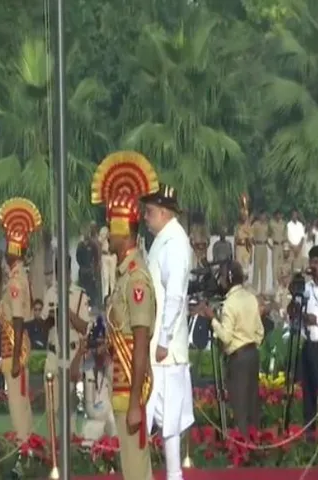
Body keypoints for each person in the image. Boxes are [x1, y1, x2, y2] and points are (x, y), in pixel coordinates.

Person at [91, 151, 159, 480]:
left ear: (123, 229)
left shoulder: (136, 278)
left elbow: (142, 339)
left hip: (130, 388)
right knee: (128, 467)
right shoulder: (122, 275)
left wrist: (135, 402)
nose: (108, 234)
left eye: (111, 227)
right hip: (118, 384)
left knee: (136, 470)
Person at [142, 183, 194, 480]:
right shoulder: (165, 239)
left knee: (165, 420)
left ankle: (170, 475)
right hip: (159, 348)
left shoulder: (174, 242)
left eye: (149, 212)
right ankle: (163, 474)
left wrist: (162, 340)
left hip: (165, 350)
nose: (146, 218)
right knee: (161, 419)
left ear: (163, 212)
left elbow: (174, 295)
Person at [0, 197, 42, 441]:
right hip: (11, 343)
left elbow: (19, 319)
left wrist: (15, 358)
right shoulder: (16, 277)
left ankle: (25, 447)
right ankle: (27, 444)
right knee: (20, 401)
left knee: (17, 403)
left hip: (15, 345)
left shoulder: (15, 281)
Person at [200, 261, 264, 435]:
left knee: (240, 405)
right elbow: (260, 331)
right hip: (253, 353)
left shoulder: (230, 303)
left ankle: (241, 447)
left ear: (227, 280)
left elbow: (226, 337)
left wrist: (213, 319)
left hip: (238, 357)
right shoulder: (250, 298)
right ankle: (254, 441)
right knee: (252, 404)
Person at [41, 255, 90, 433]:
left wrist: (67, 312)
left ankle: (72, 449)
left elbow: (85, 327)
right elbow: (43, 324)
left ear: (69, 271)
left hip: (71, 355)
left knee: (68, 408)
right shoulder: (50, 293)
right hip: (54, 354)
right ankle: (53, 449)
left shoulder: (79, 295)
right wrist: (51, 317)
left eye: (65, 270)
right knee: (51, 407)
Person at [72, 318, 116, 443]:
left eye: (100, 343)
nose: (97, 347)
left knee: (114, 426)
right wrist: (80, 352)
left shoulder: (112, 361)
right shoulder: (88, 361)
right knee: (87, 443)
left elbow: (112, 373)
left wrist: (105, 353)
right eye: (95, 343)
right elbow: (72, 375)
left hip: (110, 418)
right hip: (93, 419)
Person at [297, 245, 318, 431]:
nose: (312, 266)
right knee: (309, 392)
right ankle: (310, 433)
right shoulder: (305, 289)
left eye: (316, 262)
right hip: (309, 346)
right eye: (311, 262)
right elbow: (297, 317)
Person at [76, 227, 99, 306]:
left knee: (91, 287)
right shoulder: (80, 245)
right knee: (82, 287)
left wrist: (94, 267)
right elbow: (77, 257)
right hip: (83, 269)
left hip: (90, 269)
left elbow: (96, 256)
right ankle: (82, 303)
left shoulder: (92, 244)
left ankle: (92, 304)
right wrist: (81, 266)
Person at [252, 210, 269, 293]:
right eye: (262, 215)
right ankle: (254, 289)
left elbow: (268, 235)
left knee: (264, 269)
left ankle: (263, 291)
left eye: (265, 216)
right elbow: (251, 235)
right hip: (258, 246)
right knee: (256, 268)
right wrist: (254, 243)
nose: (263, 217)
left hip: (264, 246)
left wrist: (270, 246)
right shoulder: (256, 224)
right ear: (259, 216)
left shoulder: (267, 225)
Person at [269, 210, 287, 290]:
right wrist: (270, 245)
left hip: (281, 246)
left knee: (281, 266)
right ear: (275, 215)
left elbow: (285, 236)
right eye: (277, 215)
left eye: (280, 215)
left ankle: (281, 284)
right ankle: (274, 284)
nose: (279, 216)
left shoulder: (283, 224)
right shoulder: (271, 223)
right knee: (274, 266)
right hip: (275, 245)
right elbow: (267, 234)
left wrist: (286, 248)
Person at [99, 226, 117, 301]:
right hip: (105, 255)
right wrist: (104, 236)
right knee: (105, 278)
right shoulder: (103, 229)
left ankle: (113, 300)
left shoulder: (115, 228)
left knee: (112, 279)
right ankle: (105, 299)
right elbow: (99, 241)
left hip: (112, 256)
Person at [234, 208, 253, 279]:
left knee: (246, 267)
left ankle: (245, 283)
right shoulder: (237, 226)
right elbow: (235, 240)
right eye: (242, 216)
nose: (243, 217)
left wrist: (251, 254)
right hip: (239, 247)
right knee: (239, 267)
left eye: (245, 216)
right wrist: (234, 252)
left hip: (246, 247)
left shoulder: (248, 227)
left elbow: (250, 240)